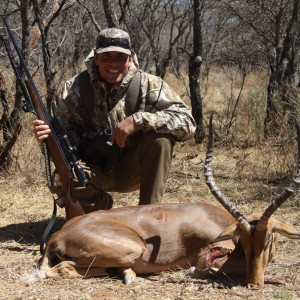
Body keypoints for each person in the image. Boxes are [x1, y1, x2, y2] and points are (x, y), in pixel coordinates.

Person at [33, 28, 196, 214]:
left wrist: (140, 120)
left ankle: (149, 216)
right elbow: (63, 149)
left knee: (161, 141)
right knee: (62, 178)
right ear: (95, 58)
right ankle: (101, 209)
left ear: (129, 58)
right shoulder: (74, 89)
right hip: (94, 169)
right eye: (106, 57)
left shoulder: (149, 84)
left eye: (119, 57)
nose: (113, 64)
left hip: (134, 169)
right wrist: (47, 140)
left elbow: (188, 123)